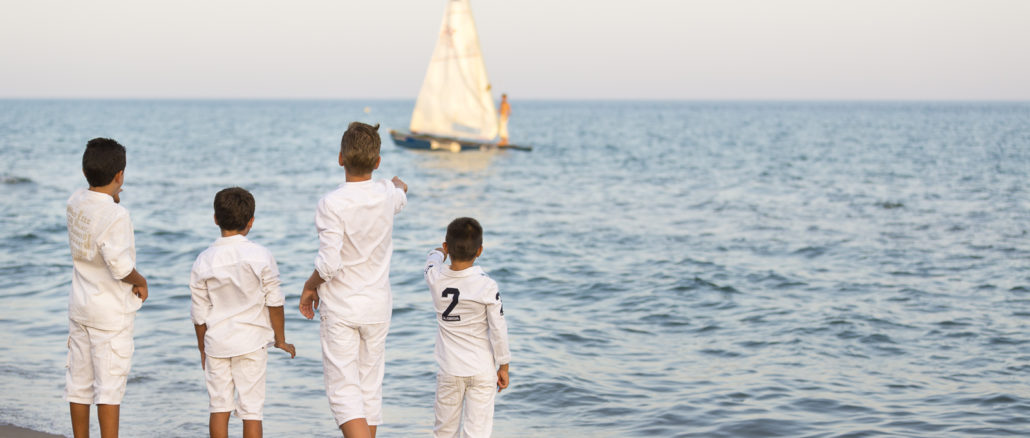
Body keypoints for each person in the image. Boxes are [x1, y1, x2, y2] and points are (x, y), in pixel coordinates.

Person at [299, 122, 408, 438]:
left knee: (344, 394)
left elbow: (329, 264)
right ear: (377, 162)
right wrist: (400, 185)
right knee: (369, 391)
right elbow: (400, 192)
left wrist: (309, 287)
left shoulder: (332, 203)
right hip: (377, 308)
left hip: (343, 309)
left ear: (340, 158)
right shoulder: (387, 194)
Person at [190, 187, 296, 438]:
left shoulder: (204, 260)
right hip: (252, 343)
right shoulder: (261, 256)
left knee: (219, 408)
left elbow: (199, 313)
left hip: (217, 343)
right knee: (252, 412)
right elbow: (275, 301)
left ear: (215, 219)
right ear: (251, 222)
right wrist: (279, 339)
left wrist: (202, 349)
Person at [65, 137, 149, 438]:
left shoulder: (75, 200)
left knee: (79, 383)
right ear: (120, 176)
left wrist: (110, 196)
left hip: (80, 306)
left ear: (85, 172)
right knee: (109, 387)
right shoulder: (117, 215)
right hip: (110, 314)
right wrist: (141, 281)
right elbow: (121, 267)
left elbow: (95, 213)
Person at [423, 217, 511, 438]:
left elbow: (432, 259)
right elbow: (498, 329)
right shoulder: (487, 286)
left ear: (446, 247)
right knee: (477, 433)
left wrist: (438, 252)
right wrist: (504, 366)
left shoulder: (435, 277)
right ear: (480, 250)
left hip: (449, 370)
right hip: (481, 370)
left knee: (444, 432)